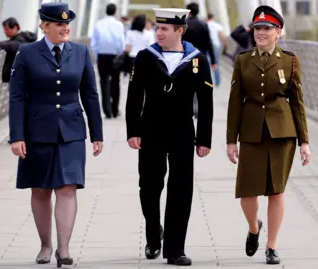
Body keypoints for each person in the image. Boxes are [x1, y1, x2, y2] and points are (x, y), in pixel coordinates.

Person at [8, 2, 103, 267]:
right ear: (45, 26)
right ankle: (45, 246)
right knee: (40, 189)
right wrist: (17, 136)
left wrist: (97, 133)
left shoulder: (82, 52)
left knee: (68, 187)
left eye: (67, 24)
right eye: (59, 24)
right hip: (37, 131)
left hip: (71, 131)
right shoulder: (26, 53)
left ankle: (64, 249)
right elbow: (16, 97)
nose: (65, 28)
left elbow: (91, 95)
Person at [125, 7, 213, 266]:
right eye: (157, 28)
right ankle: (154, 234)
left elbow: (206, 102)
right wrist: (133, 131)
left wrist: (204, 139)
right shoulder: (145, 57)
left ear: (180, 31)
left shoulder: (197, 60)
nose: (158, 33)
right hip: (150, 130)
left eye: (164, 29)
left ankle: (175, 249)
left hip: (182, 131)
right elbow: (133, 97)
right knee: (149, 187)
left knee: (181, 189)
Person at [226, 5, 311, 265]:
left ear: (278, 32)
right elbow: (235, 102)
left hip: (282, 133)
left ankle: (272, 246)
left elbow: (298, 102)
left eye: (267, 28)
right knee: (247, 192)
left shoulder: (290, 60)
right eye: (258, 28)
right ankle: (254, 227)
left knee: (276, 192)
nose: (261, 33)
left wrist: (305, 142)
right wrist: (231, 139)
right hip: (251, 131)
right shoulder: (242, 60)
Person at [91, 3, 126, 119]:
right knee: (116, 82)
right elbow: (122, 42)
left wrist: (97, 56)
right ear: (115, 12)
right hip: (115, 56)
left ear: (106, 11)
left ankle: (107, 110)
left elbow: (94, 43)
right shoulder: (119, 25)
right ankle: (115, 110)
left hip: (102, 56)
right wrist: (120, 54)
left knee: (103, 82)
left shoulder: (98, 24)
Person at [182, 2, 217, 118]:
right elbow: (209, 43)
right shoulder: (203, 24)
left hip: (185, 57)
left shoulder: (184, 25)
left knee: (186, 83)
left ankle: (188, 107)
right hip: (201, 57)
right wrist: (213, 61)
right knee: (200, 84)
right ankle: (198, 109)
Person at [0, 17, 37, 83]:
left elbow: (15, 46)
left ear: (15, 27)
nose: (5, 32)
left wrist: (0, 44)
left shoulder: (21, 40)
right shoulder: (24, 39)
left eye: (7, 29)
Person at [206, 13, 226, 87]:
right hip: (216, 46)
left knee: (208, 63)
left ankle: (209, 82)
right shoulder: (217, 25)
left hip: (208, 46)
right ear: (213, 18)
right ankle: (218, 82)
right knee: (216, 63)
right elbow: (222, 36)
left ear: (207, 18)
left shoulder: (205, 25)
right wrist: (224, 46)